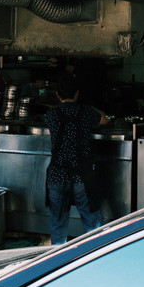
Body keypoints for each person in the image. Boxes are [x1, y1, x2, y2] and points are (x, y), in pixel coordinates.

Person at [45, 71, 107, 245]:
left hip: (57, 175)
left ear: (57, 95)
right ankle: (96, 256)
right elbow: (104, 120)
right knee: (92, 226)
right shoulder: (86, 112)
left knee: (58, 227)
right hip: (82, 176)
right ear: (77, 93)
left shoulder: (51, 115)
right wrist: (89, 106)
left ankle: (57, 262)